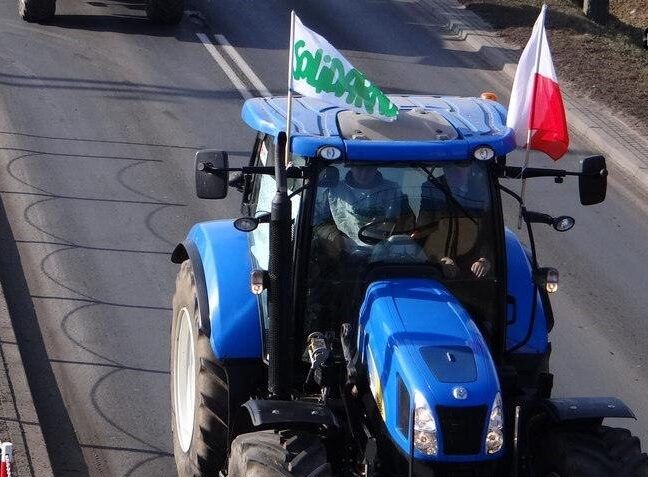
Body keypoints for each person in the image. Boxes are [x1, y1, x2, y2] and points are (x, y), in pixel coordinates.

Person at [416, 163, 493, 279]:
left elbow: (490, 233)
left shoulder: (483, 190)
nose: (457, 171)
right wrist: (440, 257)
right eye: (451, 166)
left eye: (462, 166)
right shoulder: (432, 188)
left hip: (473, 271)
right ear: (445, 167)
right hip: (440, 268)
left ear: (470, 167)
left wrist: (485, 259)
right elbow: (423, 232)